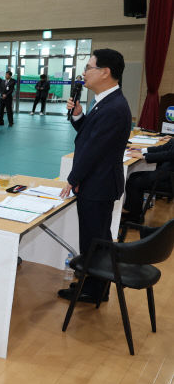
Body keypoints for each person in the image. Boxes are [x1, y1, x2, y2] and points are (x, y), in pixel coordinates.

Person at [58, 49, 132, 304]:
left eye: (89, 67)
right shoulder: (106, 101)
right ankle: (94, 286)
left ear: (105, 72)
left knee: (94, 240)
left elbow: (94, 150)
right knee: (94, 237)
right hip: (97, 182)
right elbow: (92, 136)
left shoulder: (114, 107)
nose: (84, 73)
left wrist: (72, 178)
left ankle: (93, 290)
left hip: (98, 184)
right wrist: (78, 115)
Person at [123, 137, 174, 221]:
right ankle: (132, 212)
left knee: (135, 182)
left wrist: (144, 156)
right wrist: (141, 150)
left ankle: (134, 218)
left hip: (169, 180)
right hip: (166, 173)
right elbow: (164, 148)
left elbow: (168, 155)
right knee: (133, 176)